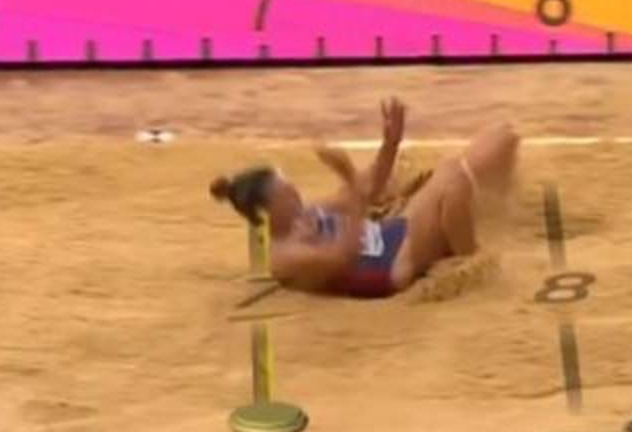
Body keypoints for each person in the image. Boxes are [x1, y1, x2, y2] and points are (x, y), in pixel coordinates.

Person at [209, 98, 519, 298]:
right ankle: (470, 265)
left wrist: (390, 143)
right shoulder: (284, 257)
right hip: (395, 266)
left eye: (291, 189)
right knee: (453, 176)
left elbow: (368, 187)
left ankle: (478, 221)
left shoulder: (306, 214)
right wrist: (347, 177)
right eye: (287, 195)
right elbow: (344, 254)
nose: (296, 195)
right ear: (267, 214)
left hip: (397, 231)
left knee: (502, 138)